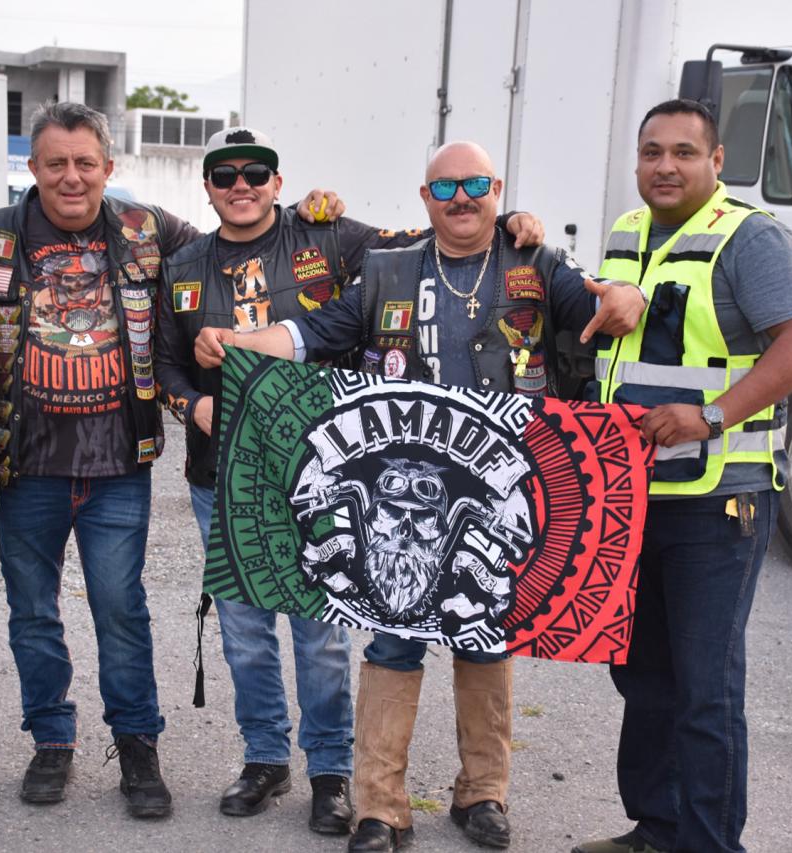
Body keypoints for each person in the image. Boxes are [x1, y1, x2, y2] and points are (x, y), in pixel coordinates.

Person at [0, 102, 351, 819]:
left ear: (109, 168)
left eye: (85, 163)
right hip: (26, 468)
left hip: (118, 470)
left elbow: (239, 238)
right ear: (33, 169)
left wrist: (309, 214)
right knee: (33, 614)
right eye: (56, 164)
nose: (71, 177)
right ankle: (52, 741)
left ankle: (137, 749)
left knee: (121, 610)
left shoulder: (150, 229)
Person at [193, 140, 646, 852]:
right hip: (398, 489)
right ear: (425, 197)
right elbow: (311, 333)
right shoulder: (388, 269)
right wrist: (240, 340)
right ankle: (380, 806)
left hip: (491, 483)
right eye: (446, 187)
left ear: (497, 189)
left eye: (475, 185)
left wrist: (629, 295)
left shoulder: (536, 263)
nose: (461, 198)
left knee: (487, 638)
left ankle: (483, 794)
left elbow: (606, 299)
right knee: (392, 638)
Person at [155, 128, 544, 835]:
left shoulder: (333, 237)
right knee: (245, 632)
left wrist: (511, 221)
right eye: (225, 175)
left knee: (327, 633)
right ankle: (265, 759)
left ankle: (333, 773)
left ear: (278, 182)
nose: (241, 185)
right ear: (206, 186)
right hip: (227, 473)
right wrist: (194, 405)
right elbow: (164, 363)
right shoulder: (182, 262)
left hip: (327, 470)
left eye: (256, 173)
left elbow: (437, 235)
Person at [572, 99, 792, 853]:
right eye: (652, 151)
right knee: (644, 675)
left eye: (684, 152)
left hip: (719, 503)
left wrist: (711, 416)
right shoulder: (628, 232)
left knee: (704, 689)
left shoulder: (753, 239)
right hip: (633, 495)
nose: (665, 166)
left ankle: (711, 843)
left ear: (716, 162)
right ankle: (657, 828)